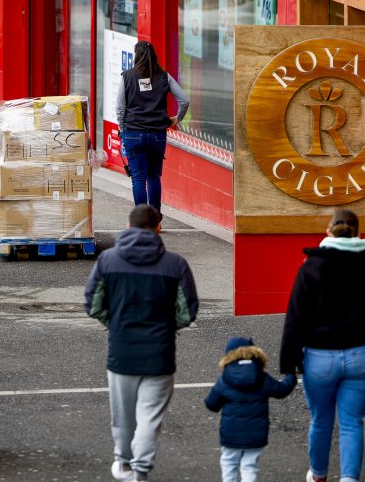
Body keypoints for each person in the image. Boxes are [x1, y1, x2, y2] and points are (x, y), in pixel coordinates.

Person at [84, 204, 198, 482]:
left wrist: (116, 324)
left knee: (123, 417)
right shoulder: (176, 264)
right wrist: (166, 327)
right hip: (160, 354)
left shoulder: (107, 261)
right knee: (150, 417)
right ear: (158, 228)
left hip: (122, 352)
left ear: (127, 227)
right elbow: (187, 312)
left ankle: (123, 464)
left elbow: (93, 304)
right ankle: (141, 470)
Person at [279, 209, 365, 482]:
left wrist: (288, 365)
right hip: (361, 354)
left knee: (320, 421)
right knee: (352, 423)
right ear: (358, 233)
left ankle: (318, 475)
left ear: (328, 232)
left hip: (319, 358)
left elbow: (295, 318)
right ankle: (349, 478)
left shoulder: (311, 267)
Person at [204, 336, 297, 482]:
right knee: (249, 466)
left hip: (231, 435)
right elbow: (282, 390)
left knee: (229, 463)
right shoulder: (262, 377)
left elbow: (211, 404)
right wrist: (290, 374)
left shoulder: (225, 379)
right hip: (256, 436)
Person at [116, 40, 189, 213]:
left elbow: (120, 107)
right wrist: (177, 119)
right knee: (153, 176)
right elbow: (185, 100)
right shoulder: (165, 77)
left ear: (137, 57)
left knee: (138, 178)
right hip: (157, 134)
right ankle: (155, 219)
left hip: (133, 133)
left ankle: (142, 223)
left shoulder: (126, 76)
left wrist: (122, 129)